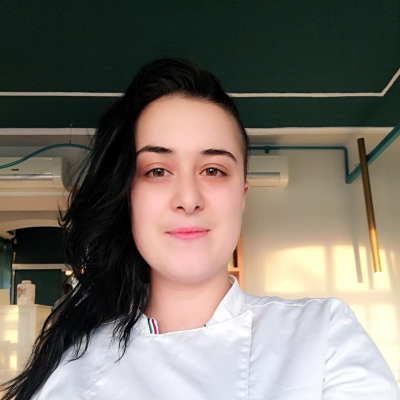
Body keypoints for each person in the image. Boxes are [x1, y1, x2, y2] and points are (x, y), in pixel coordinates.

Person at [1, 59, 399, 400]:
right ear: (128, 197)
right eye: (157, 171)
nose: (188, 198)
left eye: (213, 170)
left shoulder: (322, 336)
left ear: (241, 196)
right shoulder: (73, 364)